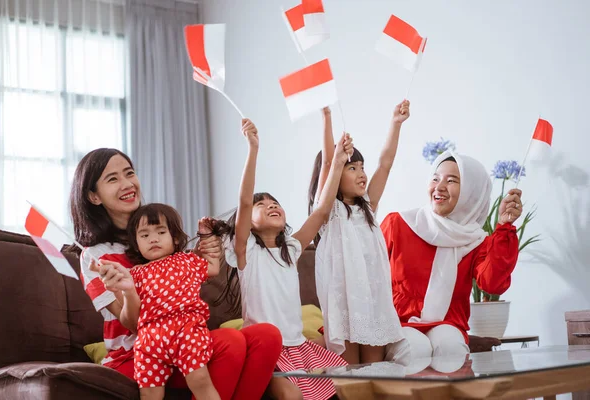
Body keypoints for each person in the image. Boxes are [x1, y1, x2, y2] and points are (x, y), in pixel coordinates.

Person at [70, 148, 282, 400]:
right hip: (138, 354)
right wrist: (126, 289)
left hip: (184, 342)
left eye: (129, 173)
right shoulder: (95, 257)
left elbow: (195, 276)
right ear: (94, 196)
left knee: (266, 335)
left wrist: (207, 248)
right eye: (112, 179)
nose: (127, 184)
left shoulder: (160, 233)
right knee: (229, 342)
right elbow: (132, 323)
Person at [222, 118, 350, 399]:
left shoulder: (290, 250)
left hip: (299, 346)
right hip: (267, 349)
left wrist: (338, 162)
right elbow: (243, 202)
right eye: (262, 204)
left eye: (274, 202)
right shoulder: (246, 253)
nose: (271, 205)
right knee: (291, 396)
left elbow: (320, 212)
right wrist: (253, 148)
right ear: (249, 222)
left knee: (346, 387)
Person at [381, 150, 522, 363]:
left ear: (471, 192)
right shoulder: (398, 224)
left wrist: (504, 227)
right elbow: (368, 275)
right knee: (415, 348)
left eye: (452, 180)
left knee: (451, 347)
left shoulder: (476, 241)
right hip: (399, 322)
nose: (439, 187)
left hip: (448, 324)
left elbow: (492, 284)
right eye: (435, 178)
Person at [307, 102, 410, 364]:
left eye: (361, 167)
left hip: (373, 302)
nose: (361, 174)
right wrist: (327, 117)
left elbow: (385, 164)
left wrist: (395, 123)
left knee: (376, 370)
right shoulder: (329, 212)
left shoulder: (368, 208)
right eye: (352, 168)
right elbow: (329, 160)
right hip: (345, 306)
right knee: (350, 373)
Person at [94, 203, 220, 399]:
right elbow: (126, 307)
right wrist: (112, 277)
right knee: (149, 395)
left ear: (175, 238)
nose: (153, 239)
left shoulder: (187, 260)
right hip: (148, 340)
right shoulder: (133, 274)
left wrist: (206, 235)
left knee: (200, 380)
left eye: (160, 232)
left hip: (186, 331)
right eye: (144, 235)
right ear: (136, 243)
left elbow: (213, 267)